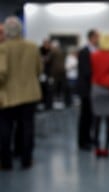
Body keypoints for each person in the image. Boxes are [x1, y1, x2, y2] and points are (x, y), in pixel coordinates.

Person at [0, 16, 42, 170]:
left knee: (5, 129)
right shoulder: (32, 47)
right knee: (27, 128)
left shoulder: (3, 48)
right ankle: (26, 160)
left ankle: (6, 162)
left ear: (6, 31)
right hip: (30, 94)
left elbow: (1, 73)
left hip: (8, 96)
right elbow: (39, 69)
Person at [90, 36, 109, 157]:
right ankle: (106, 148)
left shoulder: (94, 55)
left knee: (96, 120)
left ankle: (96, 148)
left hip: (96, 89)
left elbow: (92, 71)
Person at [77, 30, 99, 151]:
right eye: (96, 37)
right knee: (84, 116)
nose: (98, 39)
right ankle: (82, 141)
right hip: (86, 89)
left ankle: (89, 138)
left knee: (91, 116)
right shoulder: (84, 52)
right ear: (91, 37)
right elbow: (86, 72)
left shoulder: (95, 51)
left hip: (93, 88)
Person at [39, 39, 53, 110]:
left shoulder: (52, 51)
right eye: (46, 43)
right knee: (41, 88)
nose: (47, 45)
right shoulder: (40, 50)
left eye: (48, 44)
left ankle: (48, 104)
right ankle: (41, 103)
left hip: (49, 73)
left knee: (49, 89)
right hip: (41, 73)